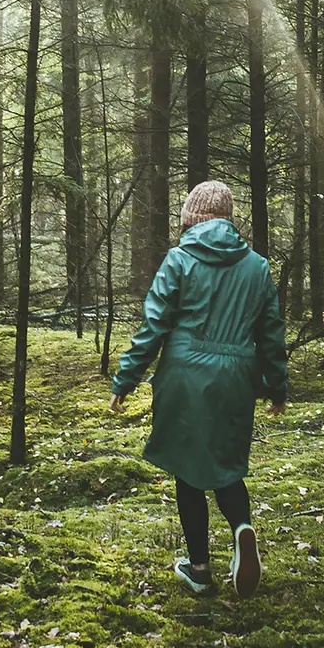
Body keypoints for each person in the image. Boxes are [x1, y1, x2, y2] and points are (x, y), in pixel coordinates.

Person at [109, 180, 288, 596]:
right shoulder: (257, 267)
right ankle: (242, 527)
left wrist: (126, 379)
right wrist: (276, 389)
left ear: (191, 220)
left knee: (189, 471)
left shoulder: (179, 259)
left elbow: (153, 326)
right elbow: (272, 337)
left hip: (184, 377)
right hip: (236, 379)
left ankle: (200, 569)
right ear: (228, 221)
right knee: (225, 463)